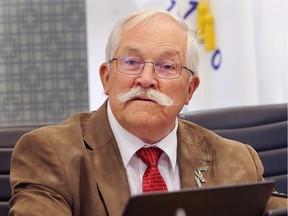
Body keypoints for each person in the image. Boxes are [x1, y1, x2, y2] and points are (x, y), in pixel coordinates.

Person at [9, 9, 287, 216]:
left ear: (190, 89)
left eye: (167, 66)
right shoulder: (49, 153)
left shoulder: (235, 160)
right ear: (107, 77)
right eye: (132, 62)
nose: (146, 79)